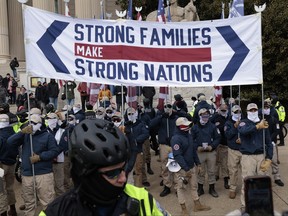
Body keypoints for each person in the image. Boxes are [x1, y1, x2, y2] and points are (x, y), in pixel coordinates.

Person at [40, 119, 170, 216]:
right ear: (87, 175)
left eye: (122, 169)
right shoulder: (58, 212)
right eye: (112, 173)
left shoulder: (142, 199)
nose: (123, 178)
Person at [7, 114, 60, 216]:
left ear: (40, 124)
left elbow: (54, 151)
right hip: (27, 174)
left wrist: (40, 157)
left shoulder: (48, 136)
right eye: (29, 122)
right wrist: (22, 132)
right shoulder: (25, 135)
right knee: (29, 202)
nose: (31, 125)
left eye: (34, 123)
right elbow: (10, 142)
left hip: (43, 174)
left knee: (47, 202)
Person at [238, 103, 273, 212]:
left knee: (262, 182)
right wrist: (257, 126)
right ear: (247, 111)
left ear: (258, 110)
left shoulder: (263, 123)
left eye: (255, 110)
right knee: (247, 182)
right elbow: (244, 131)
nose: (253, 112)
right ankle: (245, 207)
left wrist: (269, 158)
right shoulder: (243, 123)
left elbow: (269, 142)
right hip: (248, 157)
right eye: (251, 110)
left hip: (261, 155)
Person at [171, 117, 211, 215]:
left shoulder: (188, 135)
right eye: (186, 125)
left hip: (191, 166)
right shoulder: (176, 138)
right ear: (180, 126)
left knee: (194, 186)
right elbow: (177, 155)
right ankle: (183, 209)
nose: (188, 126)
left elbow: (193, 150)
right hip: (182, 169)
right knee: (180, 188)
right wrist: (186, 169)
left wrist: (198, 163)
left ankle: (197, 205)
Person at [150, 103, 178, 197]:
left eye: (169, 107)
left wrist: (175, 112)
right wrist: (161, 115)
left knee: (175, 166)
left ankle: (177, 187)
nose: (167, 109)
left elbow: (187, 118)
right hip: (164, 146)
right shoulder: (161, 117)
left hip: (174, 145)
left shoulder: (175, 117)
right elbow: (151, 124)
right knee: (165, 167)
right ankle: (167, 186)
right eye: (165, 107)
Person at [192, 108, 221, 198]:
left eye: (207, 115)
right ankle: (200, 188)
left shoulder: (213, 126)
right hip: (200, 152)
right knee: (200, 171)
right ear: (199, 115)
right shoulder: (194, 127)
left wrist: (212, 146)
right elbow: (191, 139)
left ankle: (212, 188)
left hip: (211, 152)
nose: (205, 117)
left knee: (212, 171)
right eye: (203, 115)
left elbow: (218, 138)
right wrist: (197, 147)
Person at [260, 99, 284, 187]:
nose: (266, 109)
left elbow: (277, 130)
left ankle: (277, 177)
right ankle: (265, 178)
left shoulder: (273, 118)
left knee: (273, 161)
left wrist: (269, 139)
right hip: (262, 144)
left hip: (271, 143)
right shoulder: (259, 119)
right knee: (263, 162)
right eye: (264, 107)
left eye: (267, 107)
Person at [124, 107, 150, 187]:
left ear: (135, 114)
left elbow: (146, 134)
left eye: (132, 113)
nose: (131, 115)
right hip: (128, 152)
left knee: (139, 169)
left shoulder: (140, 123)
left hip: (138, 150)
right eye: (129, 114)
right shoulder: (124, 124)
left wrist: (136, 140)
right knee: (128, 170)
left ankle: (138, 187)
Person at [0, 114, 17, 216]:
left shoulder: (0, 135)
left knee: (1, 191)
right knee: (10, 187)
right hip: (12, 163)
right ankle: (13, 209)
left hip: (1, 165)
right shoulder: (13, 133)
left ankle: (3, 213)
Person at [225, 105, 242, 199]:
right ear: (232, 112)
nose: (238, 114)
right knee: (233, 170)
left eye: (239, 112)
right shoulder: (228, 123)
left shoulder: (244, 121)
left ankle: (245, 187)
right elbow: (227, 135)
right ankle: (233, 188)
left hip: (243, 150)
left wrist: (242, 139)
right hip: (233, 150)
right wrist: (235, 127)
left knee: (245, 170)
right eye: (236, 112)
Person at [210, 104, 230, 188]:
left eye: (225, 110)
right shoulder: (216, 117)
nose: (223, 112)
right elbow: (210, 123)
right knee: (216, 161)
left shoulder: (230, 117)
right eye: (222, 110)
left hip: (226, 144)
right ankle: (216, 175)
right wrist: (216, 114)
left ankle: (226, 179)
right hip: (218, 143)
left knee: (225, 163)